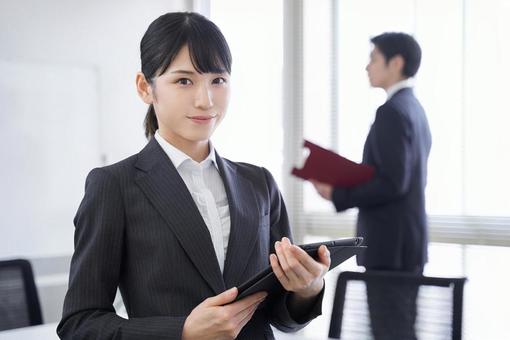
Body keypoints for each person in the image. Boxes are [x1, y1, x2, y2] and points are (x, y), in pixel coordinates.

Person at [57, 12, 330, 340]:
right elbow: (79, 324)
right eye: (184, 80)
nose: (206, 100)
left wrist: (307, 289)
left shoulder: (260, 185)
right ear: (146, 88)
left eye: (218, 80)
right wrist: (181, 332)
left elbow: (280, 316)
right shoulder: (114, 186)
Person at [312, 32, 431, 339]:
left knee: (390, 331)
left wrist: (337, 192)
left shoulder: (391, 112)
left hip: (390, 248)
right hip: (405, 246)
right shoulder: (414, 110)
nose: (367, 67)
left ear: (396, 63)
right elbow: (395, 176)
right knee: (400, 328)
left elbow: (392, 183)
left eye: (374, 59)